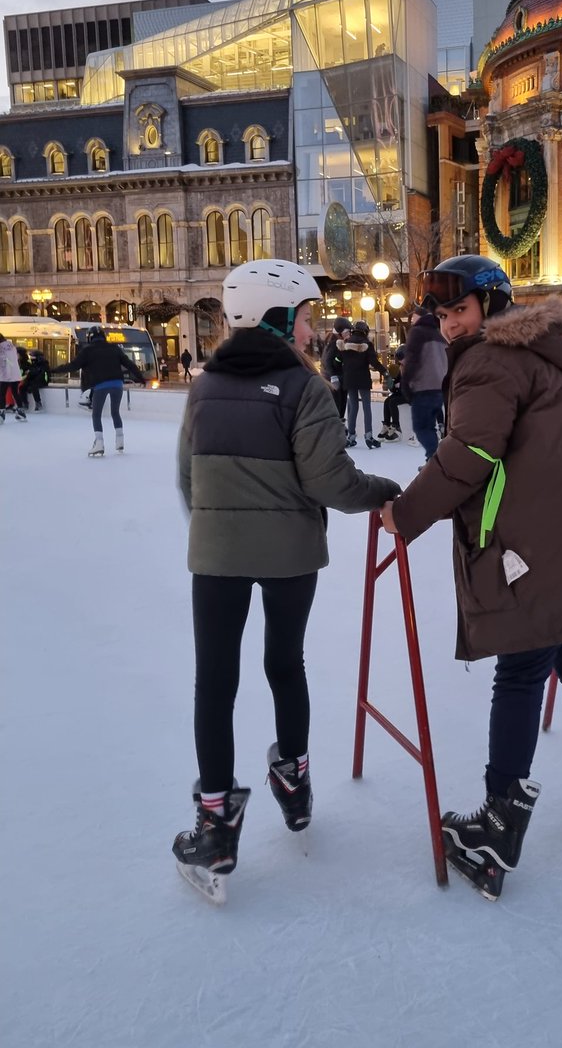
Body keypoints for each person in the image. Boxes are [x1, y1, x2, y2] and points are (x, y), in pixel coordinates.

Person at [380, 256, 562, 900]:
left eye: (460, 311)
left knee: (522, 668)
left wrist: (405, 514)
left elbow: (471, 453)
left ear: (493, 305)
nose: (450, 326)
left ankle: (498, 819)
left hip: (538, 550)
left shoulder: (489, 360)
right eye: (444, 315)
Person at [172, 259, 400, 902]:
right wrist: (383, 490)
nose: (311, 330)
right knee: (284, 663)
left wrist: (220, 522)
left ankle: (216, 822)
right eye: (304, 318)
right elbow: (331, 482)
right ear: (276, 319)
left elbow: (189, 478)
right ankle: (294, 780)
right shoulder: (307, 391)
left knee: (214, 681)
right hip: (291, 554)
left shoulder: (203, 387)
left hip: (215, 555)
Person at [50, 327, 146, 456]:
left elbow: (73, 366)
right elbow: (129, 364)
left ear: (90, 337)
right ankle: (120, 440)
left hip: (100, 385)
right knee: (115, 412)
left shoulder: (87, 350)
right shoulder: (114, 348)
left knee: (96, 414)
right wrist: (141, 378)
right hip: (117, 384)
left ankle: (99, 443)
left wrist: (54, 370)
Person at [402, 304, 448, 462]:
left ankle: (434, 460)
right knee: (430, 427)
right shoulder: (439, 333)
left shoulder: (417, 332)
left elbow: (412, 360)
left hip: (423, 387)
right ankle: (433, 461)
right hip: (439, 388)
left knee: (421, 428)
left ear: (419, 317)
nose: (412, 319)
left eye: (414, 316)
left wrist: (406, 383)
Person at [341, 320, 387, 449]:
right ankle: (368, 435)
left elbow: (340, 360)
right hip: (362, 378)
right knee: (367, 407)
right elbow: (374, 362)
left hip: (349, 379)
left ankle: (351, 435)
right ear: (365, 331)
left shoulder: (346, 343)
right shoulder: (366, 344)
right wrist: (385, 372)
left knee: (353, 406)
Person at [321, 316, 352, 417]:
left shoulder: (340, 342)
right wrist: (333, 377)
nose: (349, 334)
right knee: (338, 405)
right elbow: (327, 361)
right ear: (340, 331)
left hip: (340, 379)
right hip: (334, 380)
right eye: (347, 331)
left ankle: (341, 423)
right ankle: (338, 425)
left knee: (342, 404)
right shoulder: (334, 342)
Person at [378, 344, 407, 441]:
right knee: (387, 401)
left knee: (393, 402)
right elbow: (395, 385)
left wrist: (401, 385)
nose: (400, 361)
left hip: (411, 395)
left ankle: (396, 427)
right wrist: (392, 385)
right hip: (402, 393)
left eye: (401, 359)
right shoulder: (399, 368)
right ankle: (386, 425)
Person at [0, 333, 26, 421]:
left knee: (1, 394)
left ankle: (1, 414)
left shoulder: (1, 348)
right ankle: (21, 412)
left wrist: (4, 374)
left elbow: (3, 362)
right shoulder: (12, 346)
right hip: (15, 373)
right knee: (15, 392)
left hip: (5, 374)